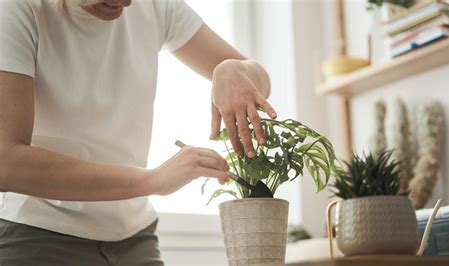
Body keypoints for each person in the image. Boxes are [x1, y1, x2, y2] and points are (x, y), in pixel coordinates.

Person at [0, 0, 276, 265]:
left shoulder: (155, 5)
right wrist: (153, 180)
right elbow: (7, 163)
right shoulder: (19, 10)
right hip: (40, 238)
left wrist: (234, 68)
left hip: (136, 239)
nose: (129, 3)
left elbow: (260, 80)